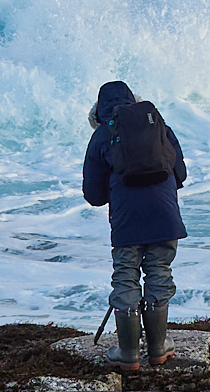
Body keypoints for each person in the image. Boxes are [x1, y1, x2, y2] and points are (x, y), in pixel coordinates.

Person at [81, 80, 189, 372]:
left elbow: (93, 195)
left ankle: (128, 354)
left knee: (126, 277)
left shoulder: (104, 134)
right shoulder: (159, 126)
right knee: (159, 273)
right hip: (165, 215)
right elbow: (180, 173)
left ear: (98, 113)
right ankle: (158, 348)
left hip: (128, 221)